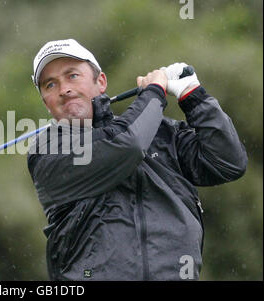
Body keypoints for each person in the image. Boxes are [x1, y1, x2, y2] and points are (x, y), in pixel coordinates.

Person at [27, 39, 247, 280]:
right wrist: (154, 92)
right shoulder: (47, 151)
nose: (64, 89)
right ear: (46, 103)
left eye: (72, 76)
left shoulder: (159, 131)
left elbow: (227, 163)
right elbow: (126, 144)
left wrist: (193, 96)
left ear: (100, 82)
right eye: (50, 84)